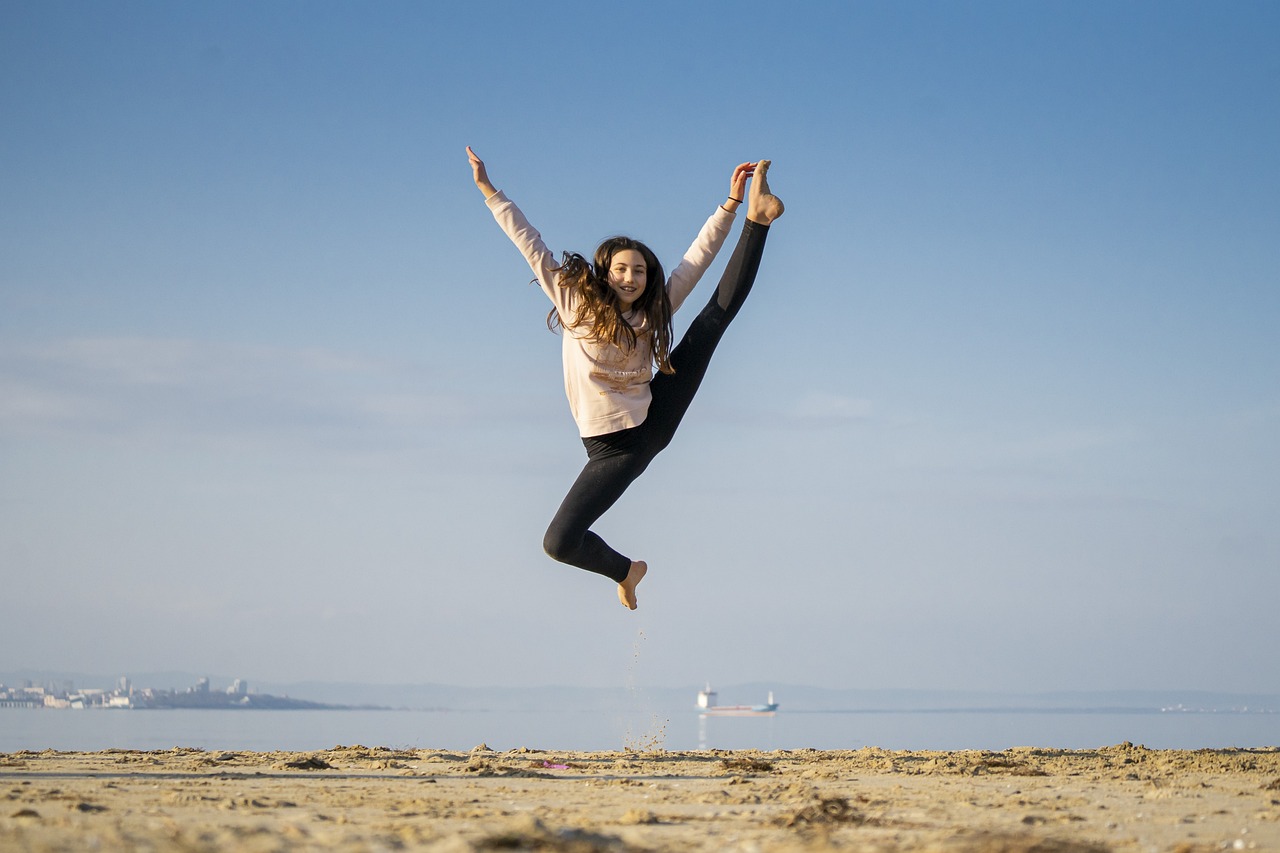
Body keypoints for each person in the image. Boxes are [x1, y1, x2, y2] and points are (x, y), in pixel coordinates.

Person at [467, 146, 783, 610]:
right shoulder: (573, 304)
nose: (630, 277)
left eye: (639, 270)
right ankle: (626, 571)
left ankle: (760, 219)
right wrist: (490, 191)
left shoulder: (654, 311)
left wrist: (731, 206)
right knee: (559, 542)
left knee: (713, 321)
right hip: (607, 449)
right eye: (621, 269)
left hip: (650, 420)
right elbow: (529, 243)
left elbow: (695, 261)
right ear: (605, 272)